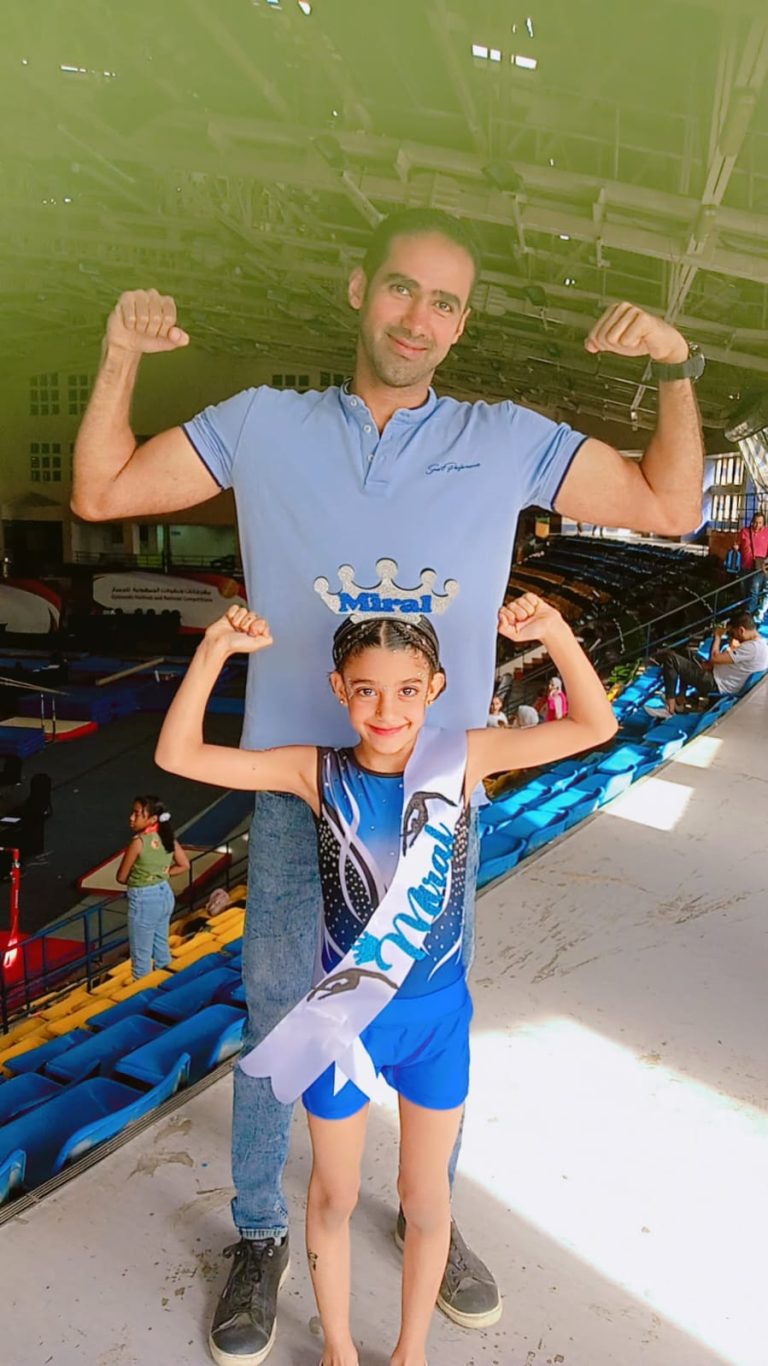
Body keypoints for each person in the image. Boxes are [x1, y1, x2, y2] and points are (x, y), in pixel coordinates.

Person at [72, 205, 704, 1364]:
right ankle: (263, 1229)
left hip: (433, 799)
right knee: (283, 1017)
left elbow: (670, 505)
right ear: (361, 289)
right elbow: (103, 491)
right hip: (298, 786)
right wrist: (118, 354)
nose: (420, 317)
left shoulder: (507, 438)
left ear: (461, 326)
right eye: (404, 288)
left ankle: (428, 1213)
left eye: (446, 303)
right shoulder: (262, 422)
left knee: (430, 1008)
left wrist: (677, 370)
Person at [155, 596, 617, 1366]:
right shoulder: (316, 770)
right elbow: (179, 755)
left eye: (407, 690)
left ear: (436, 688)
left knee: (426, 1199)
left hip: (436, 1027)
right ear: (338, 690)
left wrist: (556, 633)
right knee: (334, 1194)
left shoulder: (462, 758)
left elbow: (594, 726)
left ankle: (411, 1350)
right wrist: (212, 654)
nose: (386, 710)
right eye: (365, 690)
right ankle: (337, 1343)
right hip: (343, 1029)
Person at [116, 795, 190, 979]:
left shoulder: (139, 842)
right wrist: (161, 874)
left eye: (137, 814)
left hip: (145, 900)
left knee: (141, 960)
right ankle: (167, 985)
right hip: (165, 895)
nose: (131, 818)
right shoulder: (167, 837)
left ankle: (143, 994)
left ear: (152, 818)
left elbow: (122, 877)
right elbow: (184, 865)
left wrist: (143, 878)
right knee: (161, 950)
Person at [645, 611, 768, 719]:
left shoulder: (752, 648)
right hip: (716, 676)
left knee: (671, 659)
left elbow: (714, 658)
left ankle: (669, 709)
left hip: (715, 684)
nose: (733, 637)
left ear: (741, 630)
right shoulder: (759, 644)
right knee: (685, 654)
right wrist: (711, 665)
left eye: (733, 633)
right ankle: (680, 700)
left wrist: (718, 636)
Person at [737, 511, 768, 616]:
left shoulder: (766, 533)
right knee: (745, 591)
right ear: (752, 521)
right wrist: (735, 547)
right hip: (745, 565)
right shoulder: (744, 532)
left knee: (754, 588)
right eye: (755, 522)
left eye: (760, 523)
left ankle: (748, 615)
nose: (757, 525)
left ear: (763, 523)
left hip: (759, 567)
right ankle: (747, 612)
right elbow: (737, 544)